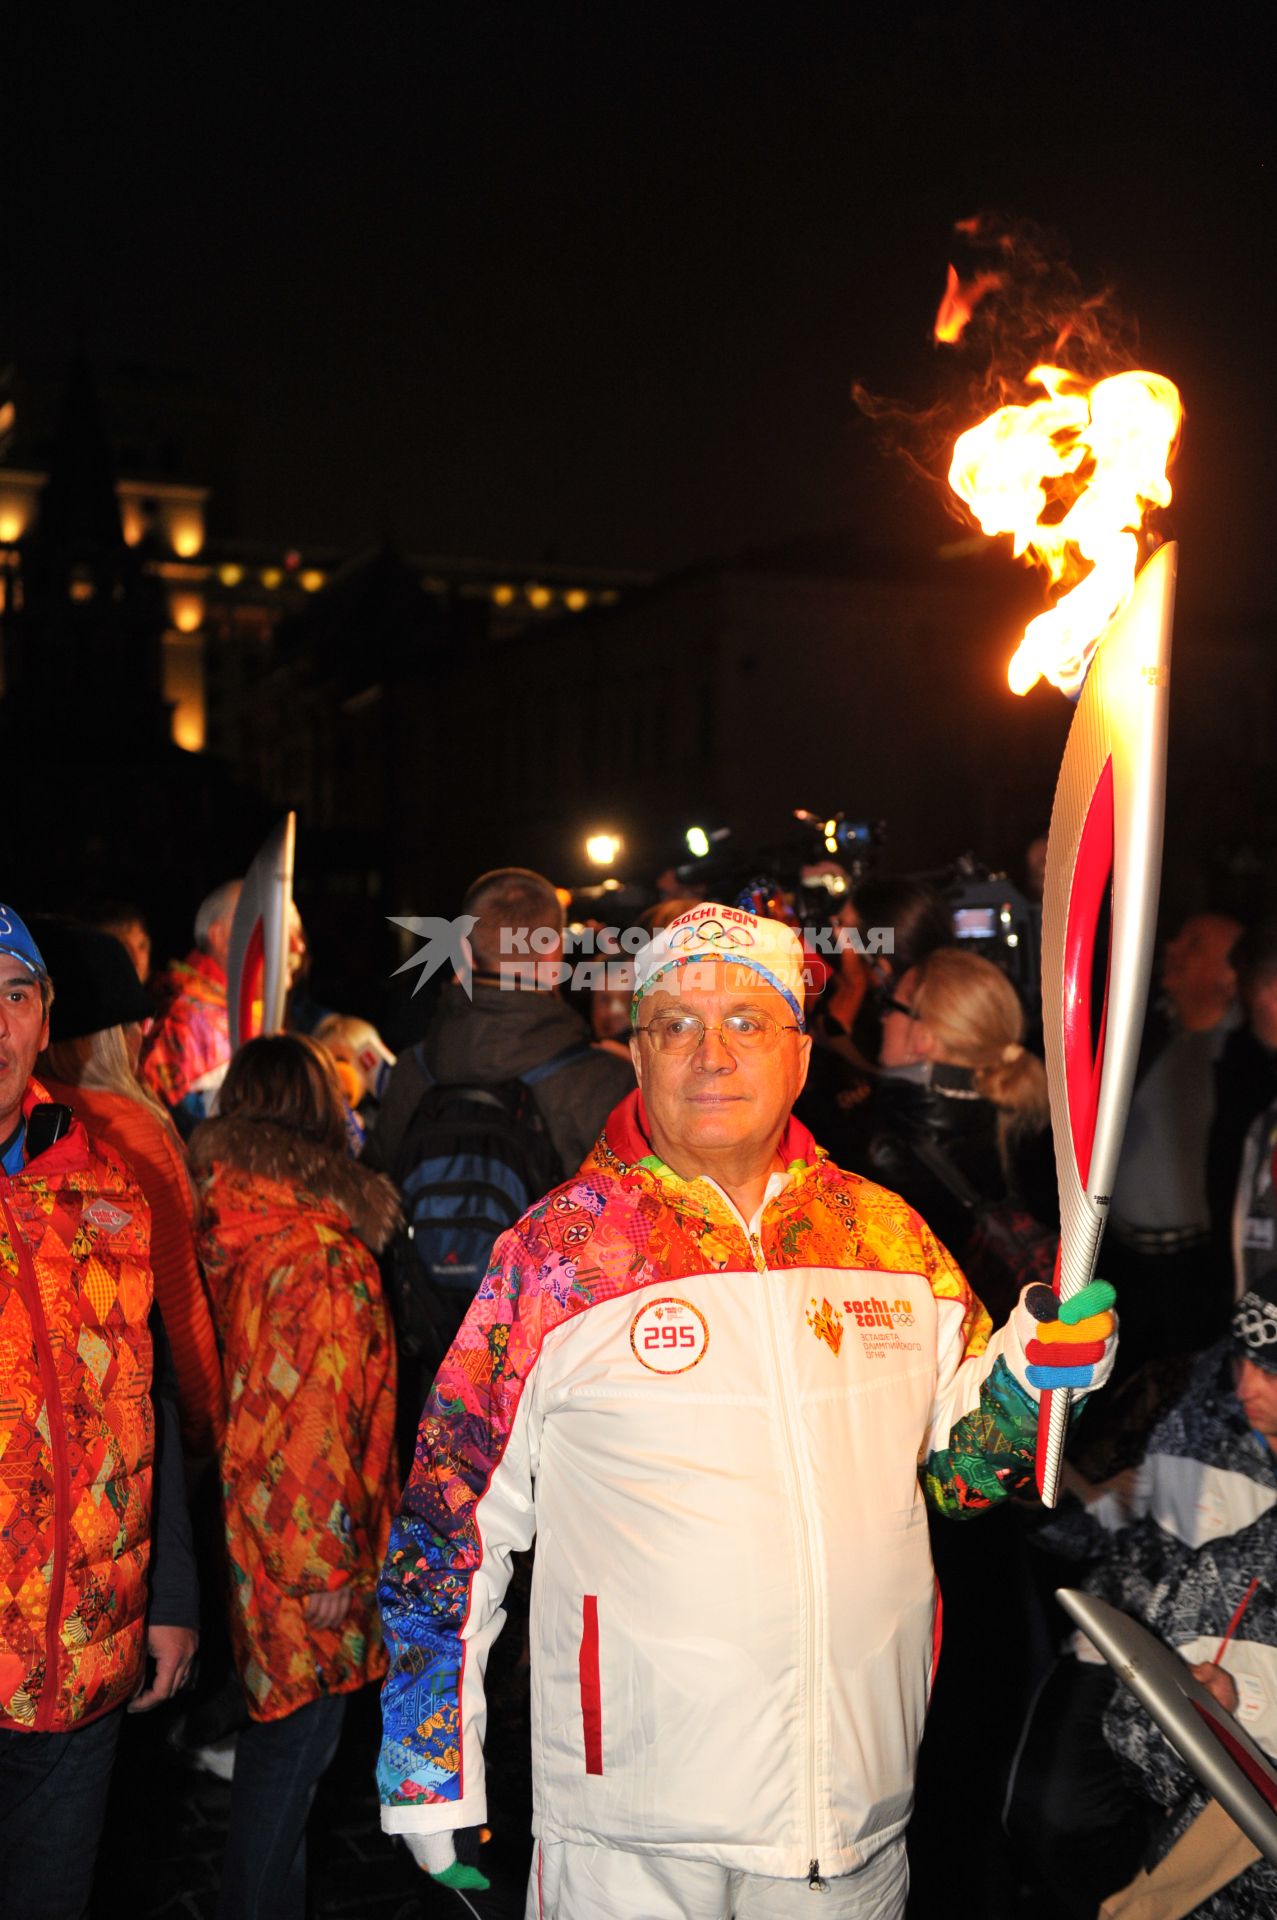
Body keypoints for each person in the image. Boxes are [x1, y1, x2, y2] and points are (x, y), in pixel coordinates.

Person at [376, 901, 1117, 1919]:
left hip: (849, 1817)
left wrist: (1033, 1378)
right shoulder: (559, 1256)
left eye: (745, 1021)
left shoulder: (886, 1243)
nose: (709, 1053)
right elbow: (445, 1522)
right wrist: (428, 1770)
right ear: (633, 1054)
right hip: (630, 1829)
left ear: (800, 1056)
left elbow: (959, 1474)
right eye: (674, 1023)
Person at [0, 904, 199, 1920]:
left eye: (15, 996)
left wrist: (170, 1590)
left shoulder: (105, 1190)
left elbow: (144, 1392)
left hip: (81, 1651)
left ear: (45, 1020)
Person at [191, 1033, 399, 1920]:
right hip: (303, 1558)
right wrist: (323, 1568)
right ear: (323, 1115)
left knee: (278, 1771)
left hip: (250, 1537)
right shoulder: (321, 1251)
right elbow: (316, 1417)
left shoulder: (232, 1226)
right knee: (286, 1782)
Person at [1007, 1274, 1277, 1920]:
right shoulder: (1175, 1397)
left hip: (1243, 1696)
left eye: (1269, 1371)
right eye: (1242, 1361)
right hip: (1124, 1643)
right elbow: (1076, 1516)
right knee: (1048, 1819)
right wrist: (1052, 1482)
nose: (1247, 1388)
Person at [34, 917, 224, 1460]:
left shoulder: (33, 1120)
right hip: (136, 1414)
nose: (148, 1029)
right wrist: (206, 1431)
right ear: (111, 1034)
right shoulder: (131, 1131)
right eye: (137, 1019)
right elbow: (178, 1304)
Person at [865, 946, 1055, 1318]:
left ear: (924, 1038)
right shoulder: (1025, 1111)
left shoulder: (888, 1148)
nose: (882, 1017)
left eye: (891, 1005)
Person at [1105, 911, 1243, 1368]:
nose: (1173, 948)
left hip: (1191, 1273)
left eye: (1196, 944)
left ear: (1230, 974)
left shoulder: (1244, 1058)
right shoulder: (1146, 1032)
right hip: (1123, 1258)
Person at [140, 879, 242, 1137]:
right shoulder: (185, 1014)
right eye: (273, 929)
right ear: (221, 937)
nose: (296, 946)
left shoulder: (238, 1007)